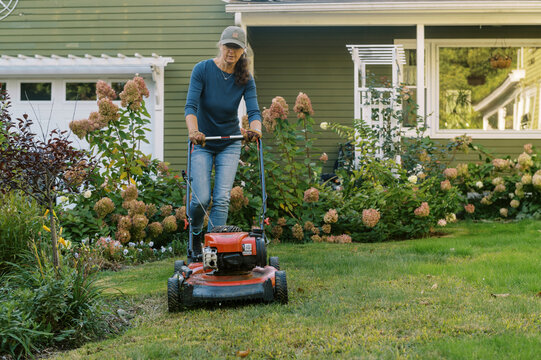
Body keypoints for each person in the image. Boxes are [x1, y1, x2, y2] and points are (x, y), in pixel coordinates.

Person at [184, 26, 262, 258]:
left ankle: (212, 250)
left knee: (221, 199)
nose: (231, 51)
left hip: (230, 142)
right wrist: (194, 131)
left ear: (242, 51)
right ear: (220, 45)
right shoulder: (203, 69)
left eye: (237, 48)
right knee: (201, 198)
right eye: (228, 46)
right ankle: (196, 233)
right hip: (203, 142)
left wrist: (255, 130)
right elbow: (191, 106)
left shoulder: (245, 78)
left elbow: (254, 111)